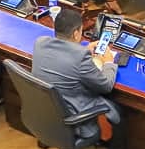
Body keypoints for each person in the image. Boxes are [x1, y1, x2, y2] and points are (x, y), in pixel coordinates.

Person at [32, 9, 121, 139]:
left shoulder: (40, 43)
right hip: (74, 119)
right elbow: (106, 86)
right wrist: (108, 62)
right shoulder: (80, 57)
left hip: (46, 112)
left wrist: (83, 49)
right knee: (119, 110)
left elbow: (63, 58)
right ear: (75, 34)